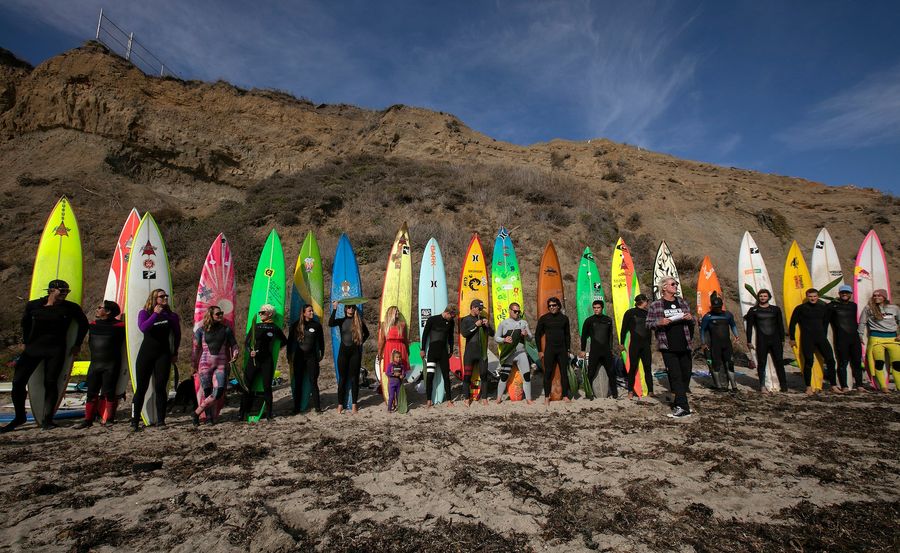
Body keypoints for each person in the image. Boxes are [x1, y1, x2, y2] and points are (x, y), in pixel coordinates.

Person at [2, 280, 89, 433]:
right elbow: (25, 323)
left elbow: (83, 324)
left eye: (67, 291)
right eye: (61, 291)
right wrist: (25, 341)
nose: (64, 294)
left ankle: (47, 419)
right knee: (18, 382)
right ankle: (20, 416)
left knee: (50, 382)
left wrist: (77, 344)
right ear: (51, 290)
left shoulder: (70, 308)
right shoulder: (34, 305)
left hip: (55, 350)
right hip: (33, 349)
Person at [131, 288, 181, 431]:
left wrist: (175, 352)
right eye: (161, 296)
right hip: (146, 354)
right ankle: (134, 421)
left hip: (163, 355)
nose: (165, 298)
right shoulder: (144, 313)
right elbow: (143, 328)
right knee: (141, 388)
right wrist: (154, 314)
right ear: (154, 299)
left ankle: (161, 421)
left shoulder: (171, 316)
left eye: (166, 296)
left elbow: (177, 335)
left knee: (160, 388)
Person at [646, 277, 695, 418]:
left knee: (686, 375)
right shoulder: (656, 305)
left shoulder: (682, 302)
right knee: (676, 376)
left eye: (676, 284)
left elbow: (692, 321)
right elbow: (648, 324)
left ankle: (677, 403)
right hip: (668, 346)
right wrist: (659, 322)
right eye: (673, 284)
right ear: (664, 288)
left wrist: (691, 318)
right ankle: (683, 407)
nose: (675, 286)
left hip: (685, 344)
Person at [75, 300, 125, 429]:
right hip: (95, 365)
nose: (97, 309)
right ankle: (88, 420)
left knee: (109, 392)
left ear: (107, 311)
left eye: (100, 307)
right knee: (91, 392)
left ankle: (109, 419)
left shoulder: (120, 326)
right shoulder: (93, 324)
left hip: (111, 365)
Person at [191, 306, 238, 426]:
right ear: (210, 315)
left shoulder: (226, 329)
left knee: (218, 391)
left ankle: (196, 413)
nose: (221, 315)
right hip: (204, 364)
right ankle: (209, 418)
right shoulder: (200, 331)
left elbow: (234, 344)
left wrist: (236, 353)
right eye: (218, 314)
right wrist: (193, 364)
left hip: (221, 364)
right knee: (207, 392)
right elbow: (196, 349)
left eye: (221, 313)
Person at [241, 304, 286, 421]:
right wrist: (250, 351)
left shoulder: (275, 328)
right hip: (253, 361)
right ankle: (243, 412)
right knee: (247, 386)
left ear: (270, 314)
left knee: (267, 387)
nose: (260, 314)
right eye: (260, 312)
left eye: (263, 312)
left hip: (267, 361)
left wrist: (274, 350)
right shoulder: (255, 326)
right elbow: (246, 343)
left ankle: (269, 414)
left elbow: (284, 341)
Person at [789, 288, 838, 395]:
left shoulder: (823, 308)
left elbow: (826, 323)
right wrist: (792, 338)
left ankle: (833, 385)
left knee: (830, 360)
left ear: (818, 296)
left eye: (815, 296)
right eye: (810, 296)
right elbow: (792, 323)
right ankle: (808, 387)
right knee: (809, 362)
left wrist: (824, 336)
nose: (812, 298)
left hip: (821, 338)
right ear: (807, 297)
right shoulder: (800, 308)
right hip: (807, 339)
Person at [329, 301, 370, 414]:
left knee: (354, 379)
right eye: (348, 307)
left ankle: (354, 405)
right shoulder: (342, 320)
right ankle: (340, 404)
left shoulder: (359, 321)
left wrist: (360, 343)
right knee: (342, 379)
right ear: (345, 309)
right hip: (343, 353)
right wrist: (335, 308)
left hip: (355, 353)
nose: (351, 309)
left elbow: (367, 334)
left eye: (352, 307)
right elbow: (331, 323)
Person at [744, 289, 788, 392]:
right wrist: (749, 341)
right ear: (758, 297)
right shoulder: (753, 310)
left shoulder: (776, 309)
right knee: (762, 363)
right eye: (761, 296)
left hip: (775, 340)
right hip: (762, 340)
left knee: (779, 363)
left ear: (768, 297)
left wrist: (782, 339)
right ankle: (762, 386)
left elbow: (780, 325)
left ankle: (784, 386)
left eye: (764, 296)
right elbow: (749, 327)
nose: (762, 298)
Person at [858, 289, 899, 393]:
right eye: (874, 296)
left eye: (879, 296)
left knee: (897, 365)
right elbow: (862, 322)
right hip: (876, 339)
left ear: (884, 297)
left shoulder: (894, 308)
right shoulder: (868, 308)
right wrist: (860, 335)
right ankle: (883, 387)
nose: (876, 297)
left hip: (893, 339)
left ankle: (899, 386)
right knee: (879, 364)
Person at [700, 296, 743, 393]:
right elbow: (702, 330)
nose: (717, 309)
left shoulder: (728, 315)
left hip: (727, 345)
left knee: (730, 364)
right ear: (712, 307)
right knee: (716, 365)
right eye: (715, 307)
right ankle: (719, 386)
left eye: (719, 307)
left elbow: (733, 325)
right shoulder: (708, 317)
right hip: (715, 345)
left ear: (722, 306)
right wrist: (703, 343)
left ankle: (734, 386)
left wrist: (736, 336)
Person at [287, 304, 325, 413]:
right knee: (298, 382)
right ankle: (296, 408)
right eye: (309, 311)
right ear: (304, 313)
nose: (312, 313)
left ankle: (318, 408)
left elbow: (321, 342)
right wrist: (288, 355)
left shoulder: (317, 326)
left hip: (312, 357)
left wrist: (321, 353)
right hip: (299, 357)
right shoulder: (295, 325)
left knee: (313, 381)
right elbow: (290, 342)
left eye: (312, 311)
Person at [495, 302, 535, 404]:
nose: (517, 313)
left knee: (526, 376)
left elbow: (530, 338)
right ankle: (499, 398)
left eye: (518, 311)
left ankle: (528, 399)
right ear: (510, 311)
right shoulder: (504, 323)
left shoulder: (524, 323)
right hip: (509, 353)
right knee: (504, 377)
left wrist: (526, 335)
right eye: (515, 311)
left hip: (521, 353)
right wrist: (504, 339)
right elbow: (496, 338)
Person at [535, 297, 572, 404]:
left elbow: (567, 335)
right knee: (548, 373)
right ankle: (547, 397)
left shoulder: (564, 319)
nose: (552, 307)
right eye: (550, 306)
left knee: (564, 373)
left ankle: (565, 395)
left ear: (558, 306)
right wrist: (540, 351)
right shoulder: (544, 319)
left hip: (562, 350)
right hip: (549, 350)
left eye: (554, 305)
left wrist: (568, 349)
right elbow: (537, 335)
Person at [459, 299, 495, 406]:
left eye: (481, 309)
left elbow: (492, 334)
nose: (480, 311)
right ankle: (466, 398)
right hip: (470, 352)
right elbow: (465, 334)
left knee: (484, 375)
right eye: (479, 308)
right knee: (467, 376)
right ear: (473, 307)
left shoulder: (483, 319)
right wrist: (476, 325)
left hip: (482, 353)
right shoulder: (465, 319)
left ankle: (484, 398)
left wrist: (488, 326)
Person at [828, 285, 863, 391]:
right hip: (841, 339)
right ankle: (844, 386)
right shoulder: (832, 306)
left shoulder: (854, 306)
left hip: (854, 339)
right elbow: (824, 322)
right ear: (839, 294)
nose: (844, 294)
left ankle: (859, 385)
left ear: (851, 294)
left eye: (847, 293)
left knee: (857, 362)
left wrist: (860, 336)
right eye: (842, 292)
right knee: (843, 362)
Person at [579, 299, 616, 399]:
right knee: (591, 372)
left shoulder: (608, 320)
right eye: (594, 308)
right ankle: (588, 393)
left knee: (611, 372)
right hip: (594, 351)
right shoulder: (589, 320)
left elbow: (610, 336)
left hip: (606, 351)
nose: (596, 310)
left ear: (602, 308)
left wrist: (611, 349)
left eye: (598, 308)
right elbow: (584, 336)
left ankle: (614, 393)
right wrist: (582, 350)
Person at [420, 305, 456, 407]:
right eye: (452, 316)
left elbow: (451, 337)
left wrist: (451, 349)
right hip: (432, 353)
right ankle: (429, 400)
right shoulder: (432, 319)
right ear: (447, 313)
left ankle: (449, 401)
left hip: (443, 353)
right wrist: (422, 349)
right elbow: (425, 335)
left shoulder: (451, 322)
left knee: (446, 376)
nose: (452, 319)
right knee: (430, 376)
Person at [620, 294, 653, 398]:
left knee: (647, 368)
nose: (647, 303)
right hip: (635, 344)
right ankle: (630, 391)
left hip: (646, 345)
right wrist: (621, 343)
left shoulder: (648, 313)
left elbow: (649, 330)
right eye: (646, 301)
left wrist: (650, 343)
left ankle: (651, 391)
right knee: (633, 367)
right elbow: (624, 329)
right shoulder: (630, 313)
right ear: (642, 301)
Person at [377, 305, 409, 400]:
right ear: (391, 313)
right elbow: (382, 340)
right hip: (389, 350)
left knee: (401, 375)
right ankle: (392, 398)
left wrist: (408, 351)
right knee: (391, 376)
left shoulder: (402, 325)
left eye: (398, 311)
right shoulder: (385, 325)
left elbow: (406, 340)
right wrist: (379, 352)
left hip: (400, 349)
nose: (398, 313)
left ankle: (400, 398)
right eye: (396, 312)